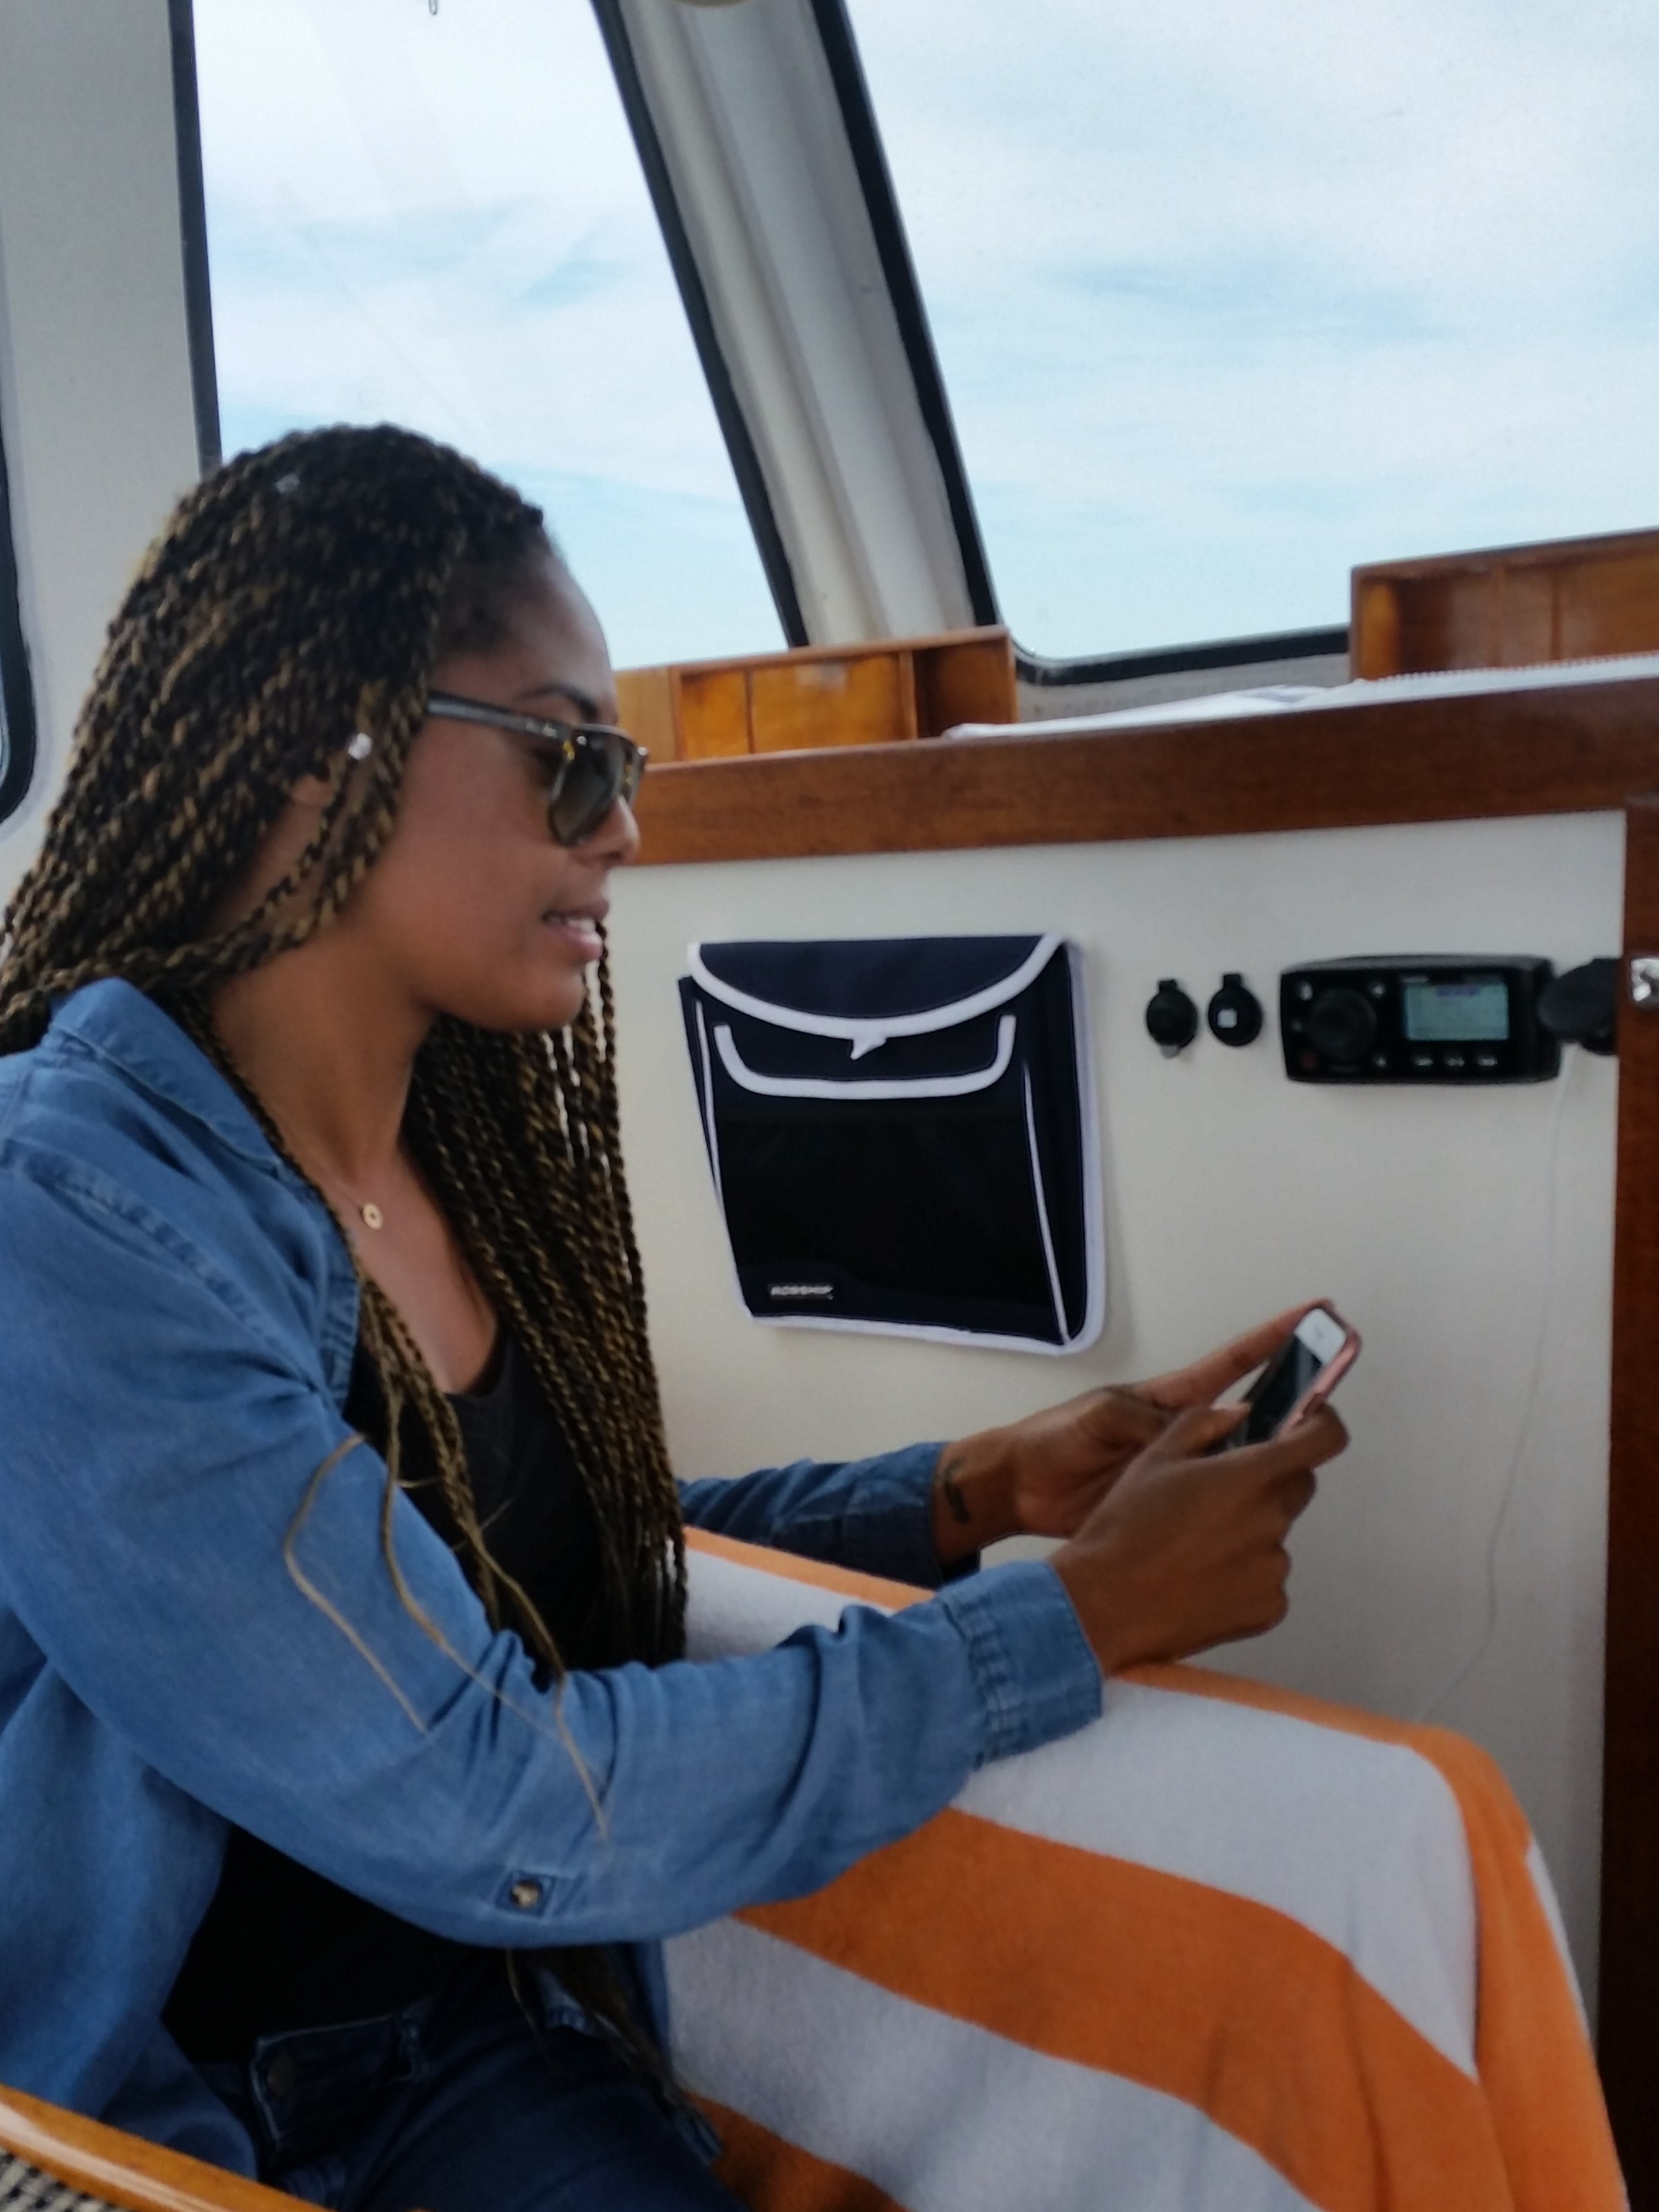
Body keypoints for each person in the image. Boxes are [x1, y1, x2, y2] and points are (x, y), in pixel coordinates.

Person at [0, 425, 1345, 2211]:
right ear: (323, 750)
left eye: (620, 765)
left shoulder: (449, 1146)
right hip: (203, 2105)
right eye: (568, 756)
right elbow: (489, 1793)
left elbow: (480, 1575)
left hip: (490, 2017)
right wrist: (1078, 1623)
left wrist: (968, 1495)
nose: (623, 825)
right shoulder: (66, 1220)